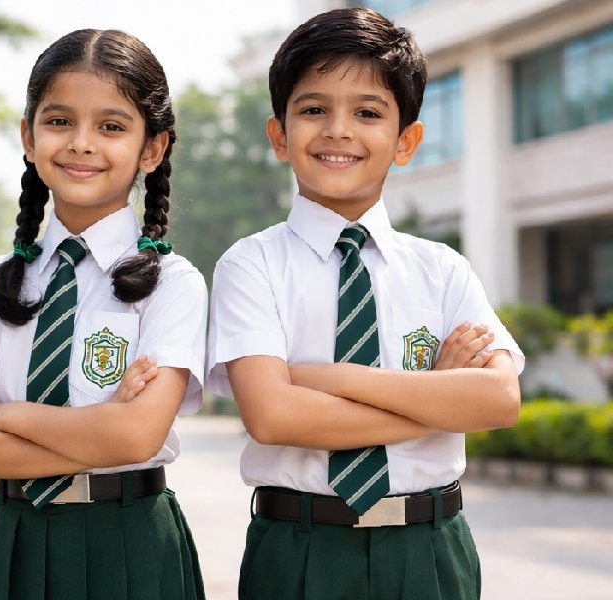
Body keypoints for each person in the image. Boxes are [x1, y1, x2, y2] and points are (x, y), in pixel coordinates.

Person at [206, 7, 524, 600]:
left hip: (429, 550)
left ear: (406, 141)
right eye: (313, 109)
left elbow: (499, 399)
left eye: (368, 113)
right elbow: (275, 418)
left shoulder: (443, 269)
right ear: (279, 135)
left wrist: (323, 378)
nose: (338, 130)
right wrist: (438, 397)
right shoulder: (252, 265)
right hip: (298, 550)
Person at [0, 28, 207, 600]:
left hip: (129, 542)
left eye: (111, 126)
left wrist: (2, 416)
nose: (81, 143)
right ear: (28, 136)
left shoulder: (173, 284)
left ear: (153, 148)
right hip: (16, 539)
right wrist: (95, 428)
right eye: (58, 122)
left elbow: (133, 437)